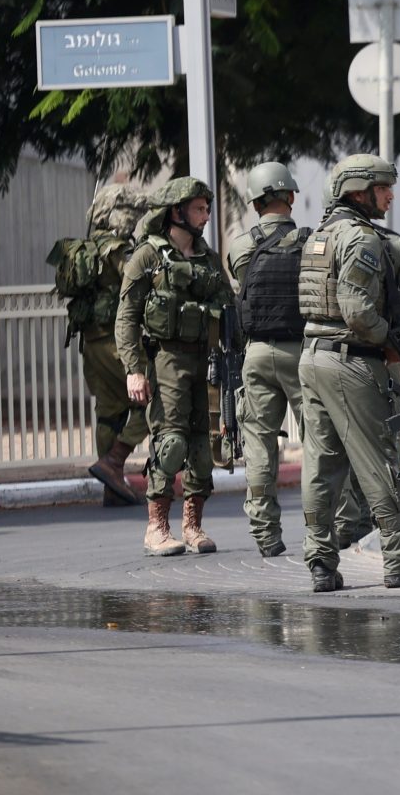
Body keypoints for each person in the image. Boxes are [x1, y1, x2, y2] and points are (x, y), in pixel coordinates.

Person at [297, 154, 400, 593]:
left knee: (320, 467)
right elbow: (359, 312)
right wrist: (392, 342)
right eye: (383, 188)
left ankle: (321, 563)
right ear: (358, 192)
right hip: (353, 360)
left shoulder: (318, 238)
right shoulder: (362, 240)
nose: (390, 195)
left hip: (313, 355)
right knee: (379, 459)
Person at [226, 161, 373, 559]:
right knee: (321, 444)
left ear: (256, 202)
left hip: (255, 354)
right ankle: (339, 526)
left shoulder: (239, 248)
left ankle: (266, 534)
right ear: (291, 196)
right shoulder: (310, 241)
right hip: (302, 351)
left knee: (259, 444)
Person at [116, 176, 232, 557]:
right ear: (176, 212)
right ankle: (157, 527)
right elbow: (127, 317)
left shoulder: (207, 257)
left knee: (204, 443)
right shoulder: (148, 257)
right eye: (199, 208)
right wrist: (134, 369)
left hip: (207, 359)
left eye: (206, 207)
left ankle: (193, 525)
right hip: (166, 358)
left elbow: (227, 307)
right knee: (170, 441)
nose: (206, 215)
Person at [49, 184, 151, 507]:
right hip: (118, 343)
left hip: (91, 343)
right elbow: (140, 283)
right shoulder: (119, 252)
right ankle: (114, 462)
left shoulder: (85, 249)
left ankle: (113, 488)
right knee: (157, 400)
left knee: (109, 413)